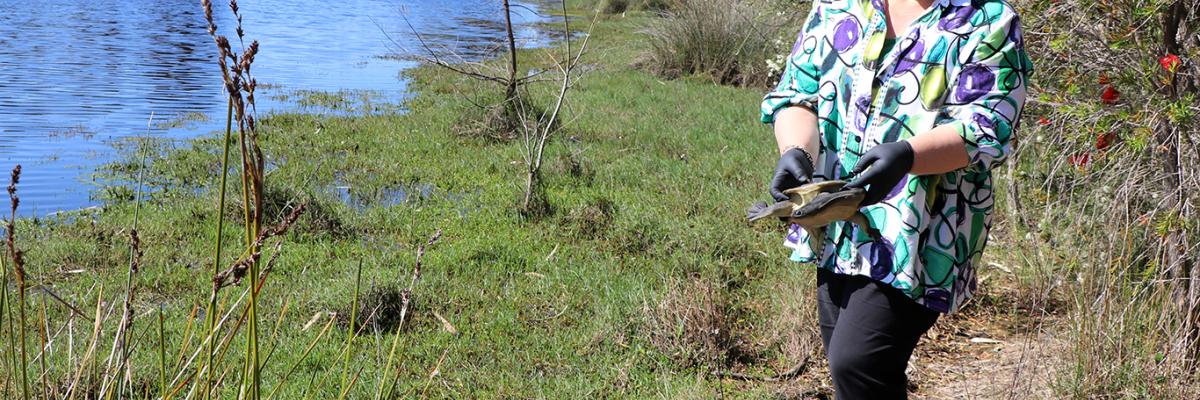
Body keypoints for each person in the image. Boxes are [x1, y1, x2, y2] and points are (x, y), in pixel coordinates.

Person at [760, 0, 1032, 397]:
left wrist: (907, 156)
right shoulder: (838, 7)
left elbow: (989, 127)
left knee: (858, 365)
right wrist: (796, 152)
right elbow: (797, 95)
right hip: (838, 227)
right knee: (854, 374)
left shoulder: (990, 20)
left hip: (920, 235)